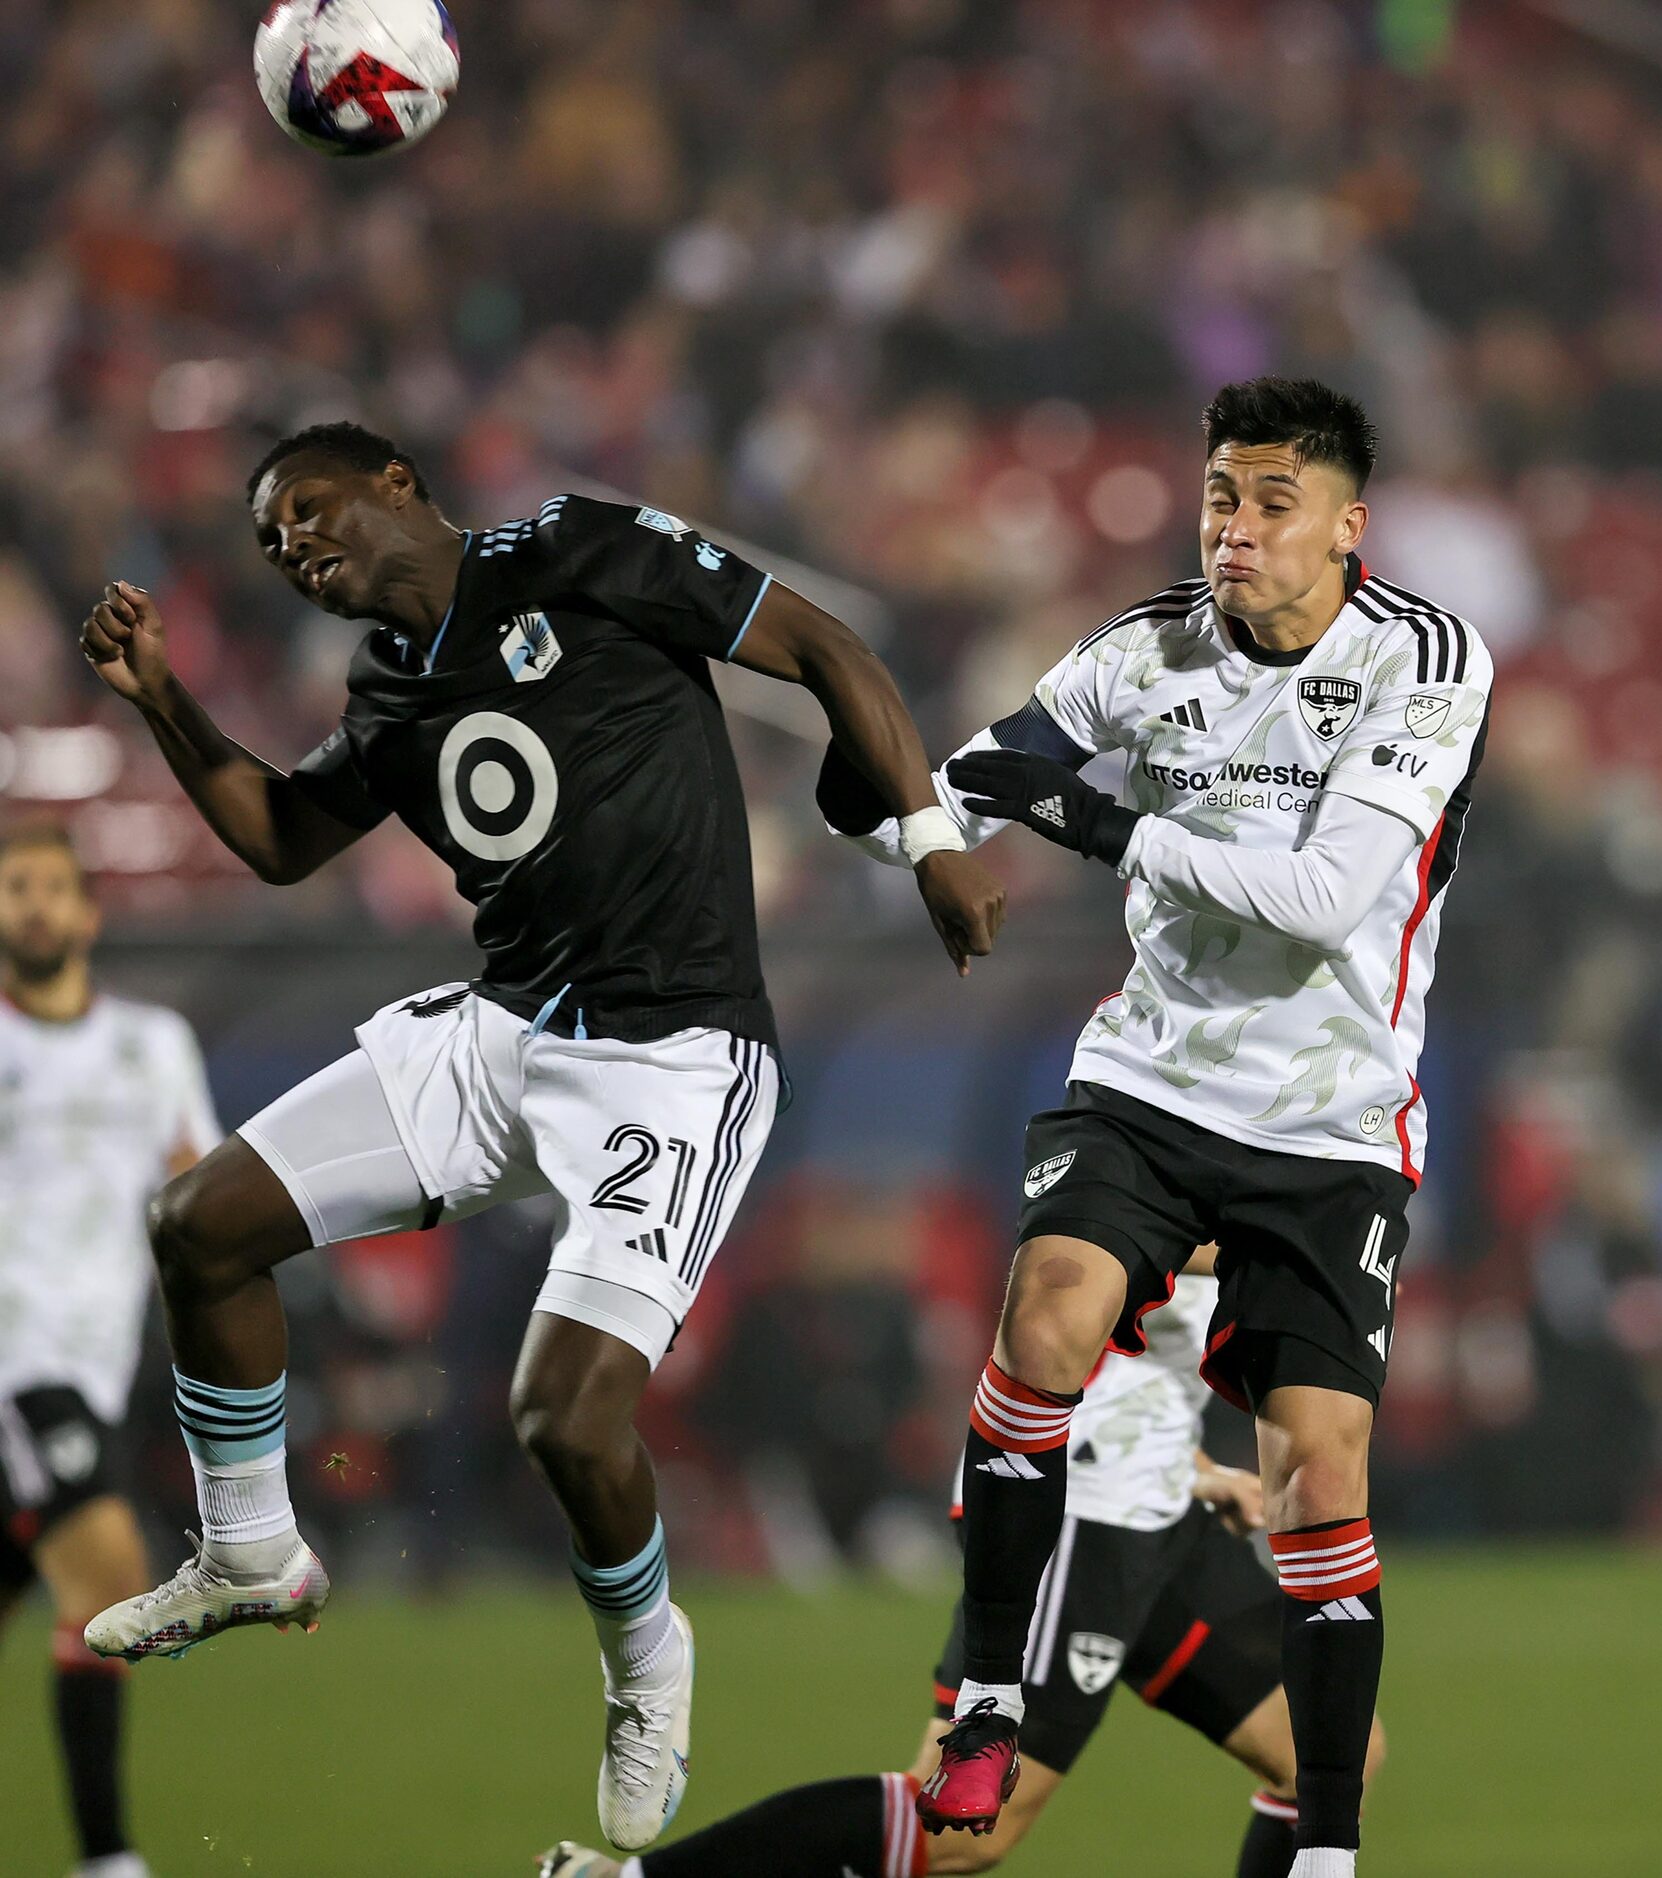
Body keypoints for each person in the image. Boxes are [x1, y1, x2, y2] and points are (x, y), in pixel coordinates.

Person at [76, 422, 1004, 1852]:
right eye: (272, 541)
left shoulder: (584, 553)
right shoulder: (390, 684)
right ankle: (253, 1547)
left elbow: (828, 648)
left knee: (561, 1418)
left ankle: (648, 1664)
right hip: (504, 1032)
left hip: (676, 1054)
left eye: (309, 509)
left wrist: (933, 843)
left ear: (397, 482)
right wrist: (165, 700)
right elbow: (280, 836)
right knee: (201, 1220)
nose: (296, 547)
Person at [819, 378, 1490, 1876]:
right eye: (1219, 498)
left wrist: (1096, 821)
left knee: (1321, 1471)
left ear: (1346, 525)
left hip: (1332, 1118)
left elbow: (1326, 902)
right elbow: (962, 792)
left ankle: (1324, 1846)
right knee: (1046, 1317)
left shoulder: (1428, 659)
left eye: (1270, 504)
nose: (1234, 530)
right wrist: (892, 804)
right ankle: (989, 1689)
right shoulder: (1144, 647)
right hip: (1154, 1082)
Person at [541, 1270, 1386, 1878]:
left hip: (1159, 1509)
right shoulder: (1166, 1155)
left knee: (1330, 1756)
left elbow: (1136, 1373)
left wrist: (1196, 1467)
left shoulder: (1259, 1154)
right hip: (1078, 1522)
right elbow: (1074, 1303)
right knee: (959, 1833)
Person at [0, 823, 219, 1878]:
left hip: (97, 1362)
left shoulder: (155, 1043)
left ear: (89, 913)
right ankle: (109, 1862)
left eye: (52, 889)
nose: (34, 906)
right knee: (110, 1574)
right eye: (15, 889)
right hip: (14, 1363)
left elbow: (196, 1190)